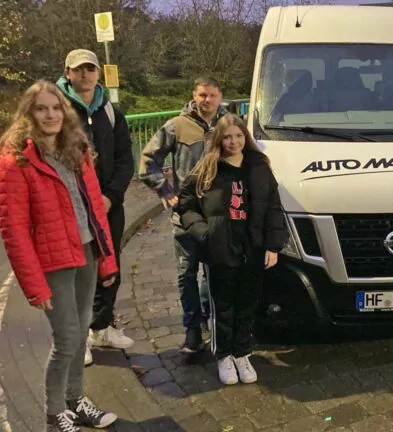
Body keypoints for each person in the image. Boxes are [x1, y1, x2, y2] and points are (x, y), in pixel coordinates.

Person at [0, 80, 119, 431]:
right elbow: (14, 230)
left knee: (81, 332)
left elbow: (95, 208)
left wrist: (107, 259)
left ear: (64, 112)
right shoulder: (16, 159)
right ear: (29, 113)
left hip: (86, 251)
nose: (50, 115)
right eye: (41, 108)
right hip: (53, 261)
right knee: (67, 338)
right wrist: (34, 286)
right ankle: (54, 414)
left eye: (56, 108)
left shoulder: (76, 148)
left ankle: (75, 400)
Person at [177, 113, 287, 385]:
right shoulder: (208, 167)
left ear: (245, 137)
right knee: (223, 304)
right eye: (227, 137)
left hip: (253, 245)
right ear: (219, 139)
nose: (233, 141)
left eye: (238, 136)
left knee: (247, 302)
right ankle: (223, 355)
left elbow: (273, 206)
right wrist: (203, 232)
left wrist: (273, 245)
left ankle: (242, 352)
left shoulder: (259, 166)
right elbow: (187, 203)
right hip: (220, 247)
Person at [56, 49, 135, 365]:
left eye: (91, 69)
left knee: (109, 267)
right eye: (79, 70)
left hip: (108, 207)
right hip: (71, 209)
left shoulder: (112, 112)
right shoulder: (56, 110)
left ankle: (101, 328)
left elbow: (125, 160)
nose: (85, 74)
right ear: (68, 72)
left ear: (98, 74)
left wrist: (111, 196)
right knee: (77, 274)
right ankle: (78, 339)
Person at [139, 77, 226, 353]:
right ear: (194, 95)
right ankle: (192, 328)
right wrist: (164, 190)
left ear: (219, 96)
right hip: (185, 213)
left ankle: (209, 318)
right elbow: (148, 160)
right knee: (186, 272)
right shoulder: (177, 126)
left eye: (212, 95)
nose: (207, 100)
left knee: (214, 272)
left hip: (217, 214)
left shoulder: (229, 125)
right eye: (202, 95)